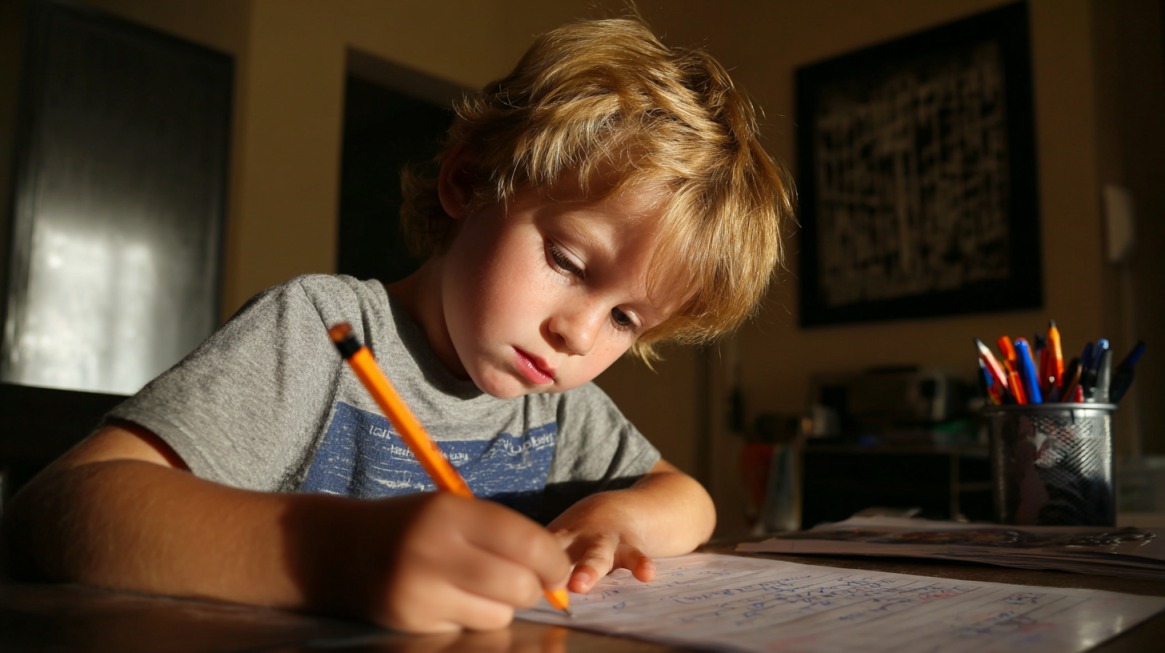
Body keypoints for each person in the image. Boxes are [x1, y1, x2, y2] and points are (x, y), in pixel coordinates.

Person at [0, 15, 792, 633]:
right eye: (567, 261)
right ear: (467, 179)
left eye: (625, 316)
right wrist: (335, 554)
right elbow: (59, 507)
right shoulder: (317, 329)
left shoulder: (549, 400)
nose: (578, 335)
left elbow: (688, 499)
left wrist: (613, 516)